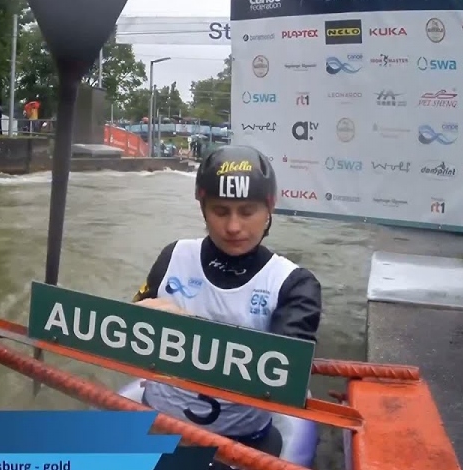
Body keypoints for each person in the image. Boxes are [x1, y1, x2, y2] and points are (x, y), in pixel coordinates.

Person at [131, 145, 322, 464]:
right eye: (221, 211)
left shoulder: (294, 283)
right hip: (156, 428)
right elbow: (123, 334)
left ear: (269, 208)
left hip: (241, 445)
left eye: (247, 212)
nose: (234, 227)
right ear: (203, 208)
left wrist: (188, 328)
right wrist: (134, 320)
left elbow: (285, 377)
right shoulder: (173, 256)